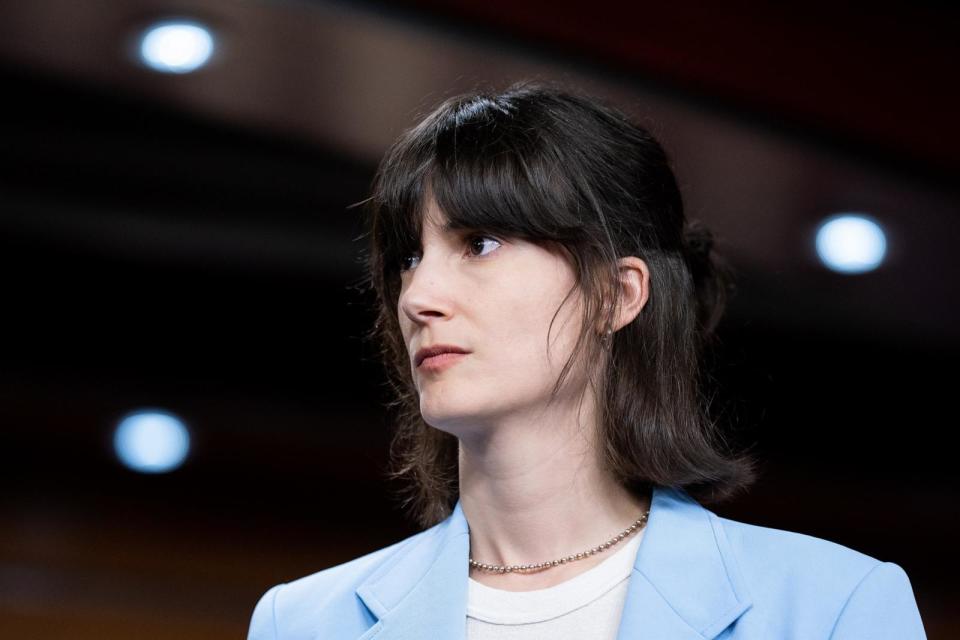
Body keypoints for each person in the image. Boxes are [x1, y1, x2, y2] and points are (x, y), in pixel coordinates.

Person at [247, 81, 927, 639]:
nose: (419, 297)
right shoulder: (303, 623)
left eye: (480, 242)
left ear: (617, 294)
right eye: (407, 258)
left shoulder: (833, 608)